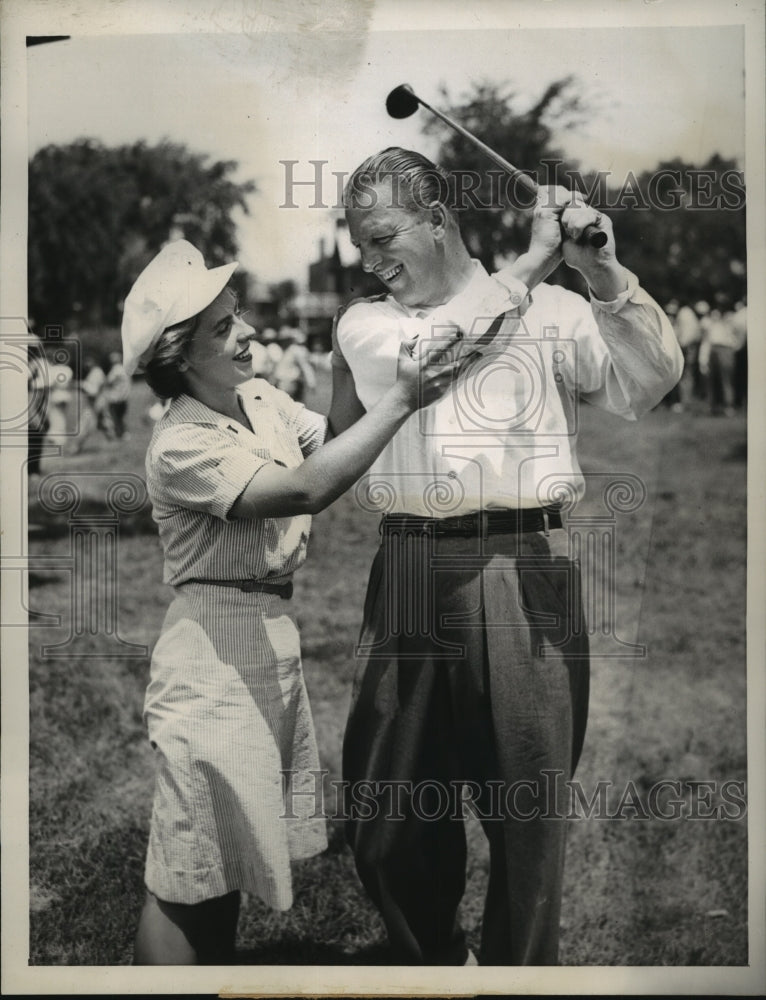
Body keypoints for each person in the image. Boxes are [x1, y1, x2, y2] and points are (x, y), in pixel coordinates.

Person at [328, 147, 683, 966]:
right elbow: (435, 358)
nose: (373, 261)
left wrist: (602, 273)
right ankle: (435, 961)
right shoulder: (367, 320)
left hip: (529, 558)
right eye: (362, 246)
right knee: (387, 818)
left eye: (384, 238)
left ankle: (524, 980)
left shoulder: (555, 309)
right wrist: (533, 258)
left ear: (440, 218)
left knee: (529, 818)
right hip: (411, 568)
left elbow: (649, 380)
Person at [120, 239, 458, 965]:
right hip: (211, 653)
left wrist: (341, 364)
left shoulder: (259, 400)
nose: (247, 333)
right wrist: (402, 396)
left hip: (267, 639)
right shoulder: (182, 441)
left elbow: (333, 443)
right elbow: (305, 489)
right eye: (222, 328)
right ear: (179, 358)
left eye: (237, 315)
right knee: (189, 872)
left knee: (226, 853)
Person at [273, 324, 317, 402]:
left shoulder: (295, 350)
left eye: (286, 339)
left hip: (291, 383)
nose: (284, 341)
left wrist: (311, 382)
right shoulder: (279, 350)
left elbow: (306, 367)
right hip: (280, 383)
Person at [103, 350, 132, 439]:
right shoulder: (125, 369)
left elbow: (108, 382)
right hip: (124, 397)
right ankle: (122, 433)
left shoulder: (115, 370)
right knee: (121, 416)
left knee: (115, 417)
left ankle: (120, 434)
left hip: (115, 397)